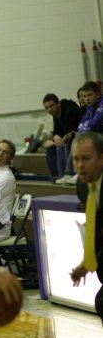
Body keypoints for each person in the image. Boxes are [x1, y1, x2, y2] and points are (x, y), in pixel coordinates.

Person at [70, 132, 103, 324]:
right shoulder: (82, 185)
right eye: (76, 159)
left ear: (102, 158)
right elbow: (94, 225)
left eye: (86, 159)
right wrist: (86, 263)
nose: (80, 165)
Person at [57, 82, 103, 185]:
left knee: (79, 135)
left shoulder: (101, 105)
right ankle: (68, 174)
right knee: (71, 138)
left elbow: (94, 123)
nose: (87, 99)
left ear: (97, 95)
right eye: (84, 96)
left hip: (99, 136)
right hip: (96, 135)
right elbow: (81, 125)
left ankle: (77, 173)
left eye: (89, 95)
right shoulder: (90, 108)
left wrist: (81, 131)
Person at [42, 93, 82, 181]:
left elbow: (69, 133)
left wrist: (54, 141)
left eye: (51, 106)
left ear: (58, 104)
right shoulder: (56, 115)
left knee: (61, 146)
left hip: (80, 138)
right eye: (46, 107)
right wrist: (55, 137)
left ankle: (68, 174)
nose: (49, 109)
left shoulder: (69, 110)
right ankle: (56, 177)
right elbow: (57, 132)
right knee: (50, 150)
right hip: (70, 138)